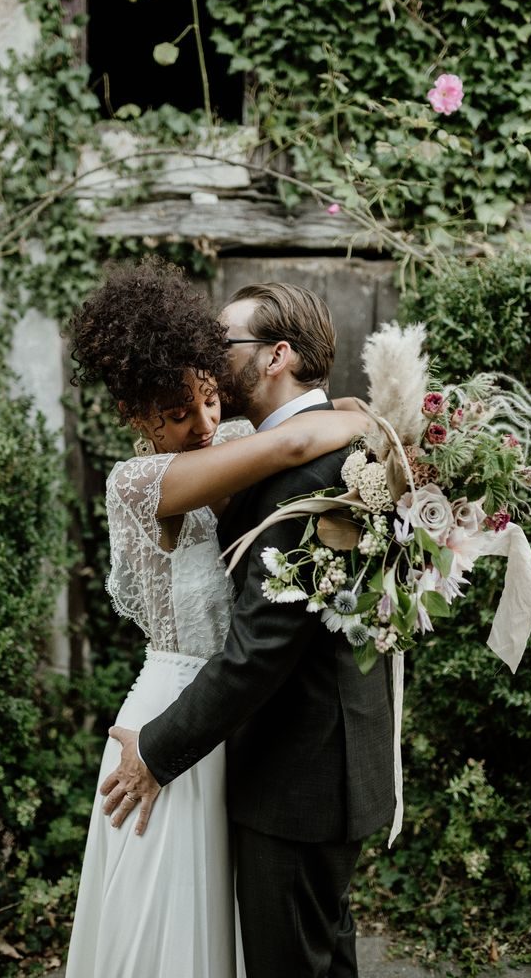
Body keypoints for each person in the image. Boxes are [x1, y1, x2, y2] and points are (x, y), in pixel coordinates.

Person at [64, 259, 370, 978]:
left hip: (225, 724)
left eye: (209, 400)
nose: (205, 424)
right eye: (177, 414)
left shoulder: (225, 442)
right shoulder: (139, 481)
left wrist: (353, 412)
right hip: (171, 716)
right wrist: (360, 417)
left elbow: (294, 429)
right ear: (136, 418)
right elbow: (297, 441)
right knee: (166, 923)